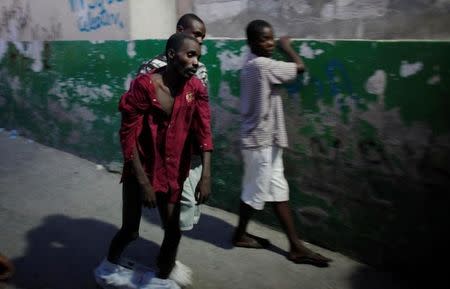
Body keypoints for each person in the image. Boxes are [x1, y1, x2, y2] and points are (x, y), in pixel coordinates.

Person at [95, 33, 213, 289]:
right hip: (141, 167)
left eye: (198, 57)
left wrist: (205, 175)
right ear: (172, 55)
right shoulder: (144, 85)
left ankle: (161, 277)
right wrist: (143, 182)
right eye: (190, 55)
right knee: (130, 230)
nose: (195, 62)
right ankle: (107, 267)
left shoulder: (196, 88)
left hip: (172, 171)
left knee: (173, 231)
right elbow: (127, 136)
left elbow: (204, 130)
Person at [232, 19, 332, 267]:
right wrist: (287, 47)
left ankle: (295, 247)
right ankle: (239, 235)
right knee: (254, 192)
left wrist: (274, 46)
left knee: (278, 190)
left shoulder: (249, 61)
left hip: (266, 139)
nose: (271, 43)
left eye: (273, 38)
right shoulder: (263, 65)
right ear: (252, 43)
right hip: (259, 141)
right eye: (265, 39)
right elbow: (299, 68)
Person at [137, 13, 208, 233]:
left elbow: (201, 112)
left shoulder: (199, 66)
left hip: (192, 148)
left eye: (203, 36)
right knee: (176, 212)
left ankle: (168, 256)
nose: (200, 40)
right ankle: (167, 260)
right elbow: (141, 119)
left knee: (191, 206)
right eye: (196, 34)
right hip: (169, 151)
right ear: (179, 31)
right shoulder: (150, 70)